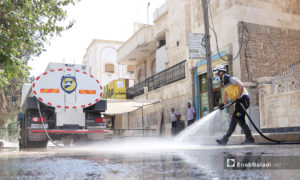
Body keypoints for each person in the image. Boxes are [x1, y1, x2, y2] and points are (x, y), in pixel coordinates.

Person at [213, 65, 255, 145]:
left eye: (217, 73)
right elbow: (226, 94)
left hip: (243, 100)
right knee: (236, 119)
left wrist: (239, 96)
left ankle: (249, 138)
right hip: (239, 102)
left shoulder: (230, 78)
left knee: (237, 118)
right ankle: (225, 140)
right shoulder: (224, 82)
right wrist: (223, 104)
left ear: (221, 72)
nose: (216, 75)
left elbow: (241, 86)